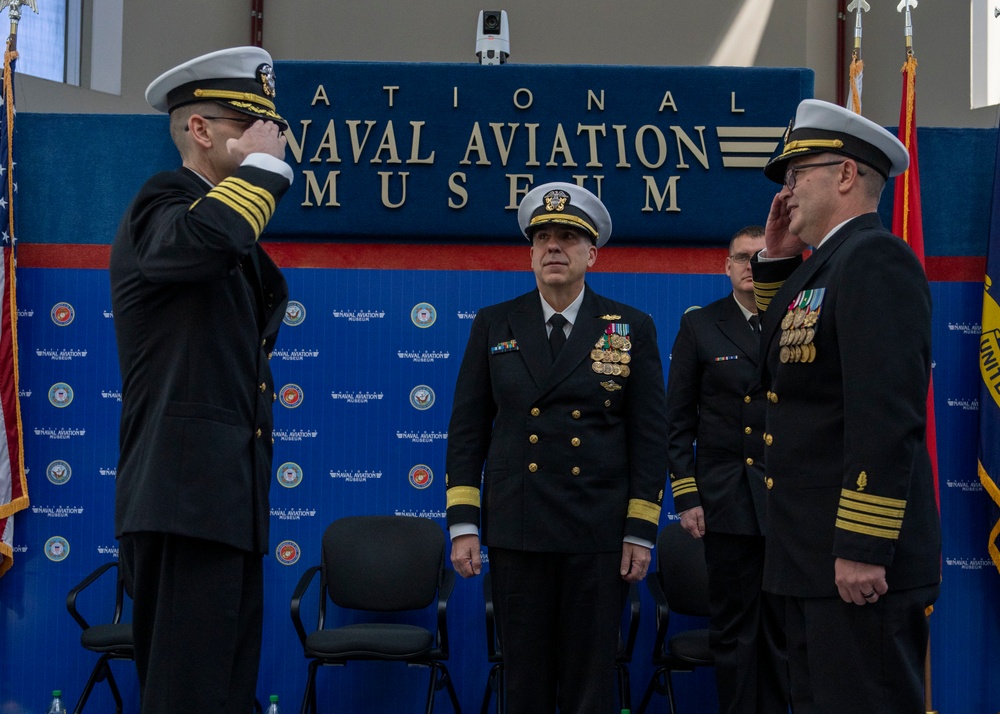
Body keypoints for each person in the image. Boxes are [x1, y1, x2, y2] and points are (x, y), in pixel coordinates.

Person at [110, 47, 293, 713]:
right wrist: (266, 172)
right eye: (253, 125)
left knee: (221, 693)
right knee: (187, 695)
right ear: (200, 130)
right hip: (182, 499)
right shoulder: (164, 202)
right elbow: (194, 246)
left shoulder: (223, 228)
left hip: (223, 503)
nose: (274, 138)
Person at [445, 181, 669, 713]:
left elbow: (649, 436)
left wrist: (640, 531)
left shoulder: (630, 327)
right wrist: (464, 525)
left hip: (597, 531)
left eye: (568, 237)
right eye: (543, 236)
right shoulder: (495, 323)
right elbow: (468, 429)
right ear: (529, 252)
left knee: (590, 677)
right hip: (519, 527)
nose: (553, 247)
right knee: (523, 677)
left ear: (591, 254)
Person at [750, 98, 941, 713]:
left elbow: (886, 415)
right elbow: (784, 364)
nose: (787, 190)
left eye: (798, 173)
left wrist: (861, 543)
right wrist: (776, 263)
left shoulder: (874, 259)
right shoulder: (828, 265)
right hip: (813, 560)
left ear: (845, 175)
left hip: (856, 564)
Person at [665, 225, 789, 714]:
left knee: (783, 628)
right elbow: (677, 421)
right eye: (741, 258)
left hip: (786, 499)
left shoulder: (796, 320)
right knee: (734, 631)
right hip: (726, 498)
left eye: (761, 258)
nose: (750, 266)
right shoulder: (701, 326)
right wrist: (687, 494)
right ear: (726, 266)